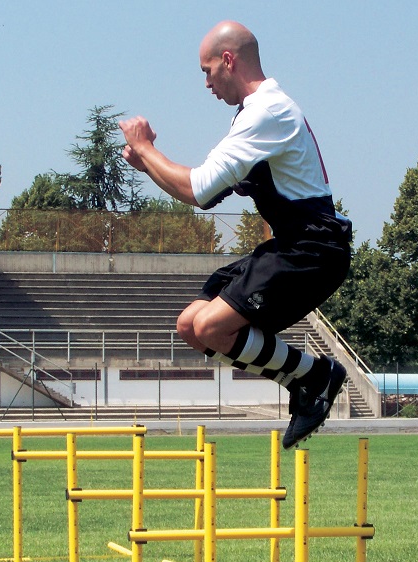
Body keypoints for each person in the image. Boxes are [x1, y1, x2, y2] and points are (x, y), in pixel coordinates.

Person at [119, 20, 352, 449]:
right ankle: (307, 380)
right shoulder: (251, 115)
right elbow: (206, 195)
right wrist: (149, 165)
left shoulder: (267, 111)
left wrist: (148, 149)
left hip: (313, 250)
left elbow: (196, 188)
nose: (206, 83)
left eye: (207, 71)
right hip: (292, 245)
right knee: (190, 325)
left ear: (229, 60)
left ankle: (317, 376)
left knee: (210, 327)